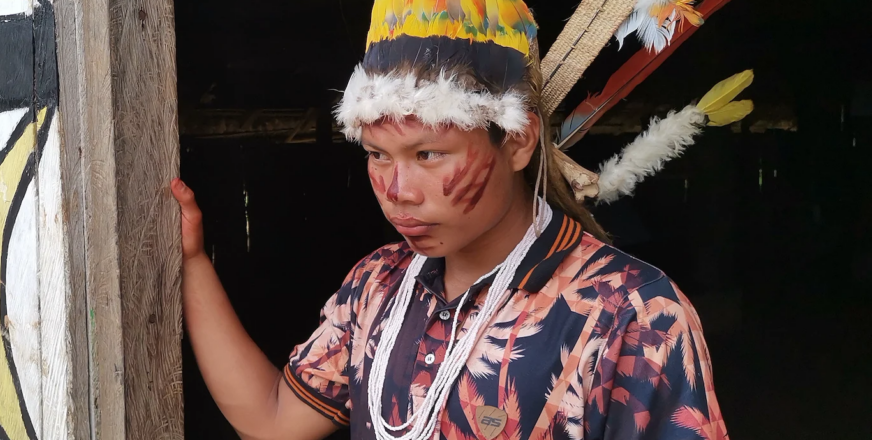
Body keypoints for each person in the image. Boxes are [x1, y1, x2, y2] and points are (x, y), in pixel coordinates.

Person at [171, 1, 728, 439]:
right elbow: (271, 420)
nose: (397, 192)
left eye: (428, 155)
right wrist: (193, 261)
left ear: (516, 140)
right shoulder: (378, 286)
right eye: (378, 155)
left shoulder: (632, 315)